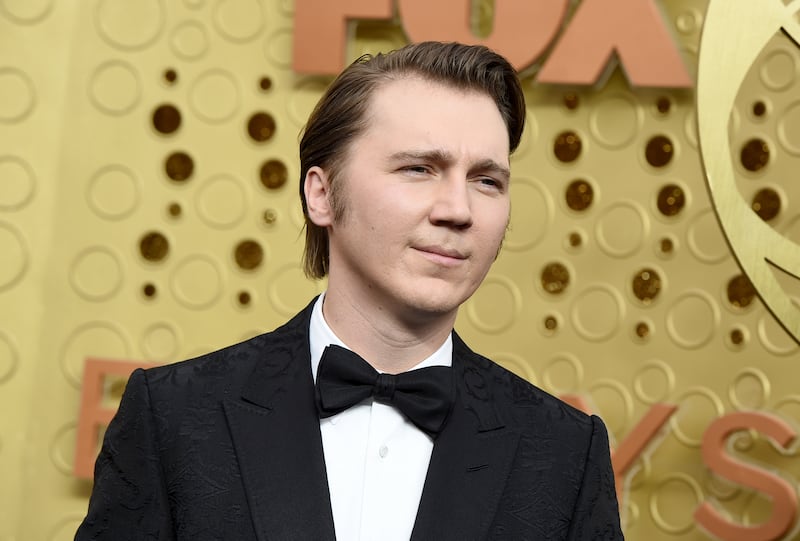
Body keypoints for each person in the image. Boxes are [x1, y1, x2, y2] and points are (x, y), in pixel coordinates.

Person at [76, 41, 623, 540]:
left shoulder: (566, 454)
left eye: (487, 181)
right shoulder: (172, 417)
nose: (458, 210)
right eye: (418, 168)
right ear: (321, 194)